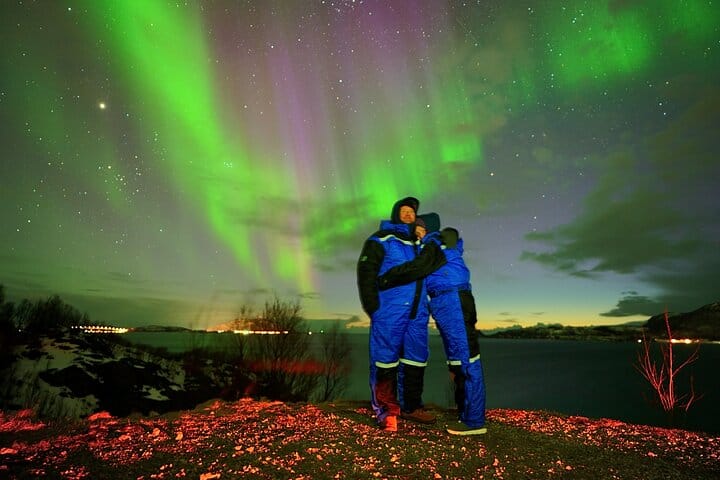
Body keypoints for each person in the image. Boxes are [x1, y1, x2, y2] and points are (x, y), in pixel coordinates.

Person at [378, 215, 487, 435]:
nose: (416, 231)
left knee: (466, 359)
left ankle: (474, 421)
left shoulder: (435, 243)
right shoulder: (430, 245)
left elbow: (417, 268)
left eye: (419, 227)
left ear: (428, 229)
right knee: (456, 361)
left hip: (454, 300)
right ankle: (465, 411)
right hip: (445, 303)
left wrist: (387, 278)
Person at [357, 197, 444, 431]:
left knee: (415, 359)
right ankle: (386, 411)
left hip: (418, 313)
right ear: (396, 214)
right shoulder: (382, 239)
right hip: (390, 311)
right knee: (384, 360)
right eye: (404, 211)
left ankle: (411, 406)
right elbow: (366, 271)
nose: (408, 215)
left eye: (412, 212)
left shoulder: (421, 243)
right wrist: (373, 307)